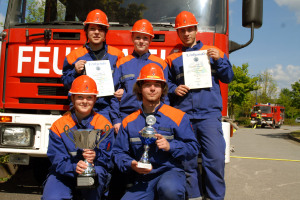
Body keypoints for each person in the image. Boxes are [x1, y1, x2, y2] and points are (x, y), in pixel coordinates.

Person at [165, 11, 234, 200]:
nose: (186, 34)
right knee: (187, 162)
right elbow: (165, 84)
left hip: (208, 116)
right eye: (182, 31)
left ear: (196, 30)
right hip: (184, 116)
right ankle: (194, 197)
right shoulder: (172, 57)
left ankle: (215, 198)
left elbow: (228, 77)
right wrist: (173, 89)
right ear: (178, 33)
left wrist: (220, 60)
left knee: (215, 160)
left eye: (189, 30)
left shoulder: (212, 52)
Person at [112, 63, 200, 200]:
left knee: (169, 190)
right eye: (147, 84)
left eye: (157, 85)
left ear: (163, 88)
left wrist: (171, 146)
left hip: (171, 172)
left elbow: (193, 148)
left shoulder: (178, 116)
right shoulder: (129, 121)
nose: (152, 89)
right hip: (143, 178)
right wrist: (131, 164)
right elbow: (118, 152)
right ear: (140, 88)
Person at [42, 75, 114, 200]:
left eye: (89, 97)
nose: (85, 101)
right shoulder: (59, 126)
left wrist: (96, 156)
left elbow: (108, 158)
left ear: (95, 99)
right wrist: (73, 167)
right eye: (80, 97)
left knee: (98, 172)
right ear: (73, 98)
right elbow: (56, 158)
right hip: (64, 173)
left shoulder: (104, 125)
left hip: (93, 170)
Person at [61, 9, 124, 122]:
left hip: (108, 111)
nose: (96, 32)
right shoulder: (74, 56)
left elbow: (124, 82)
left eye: (100, 29)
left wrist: (123, 91)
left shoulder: (117, 55)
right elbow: (66, 84)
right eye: (92, 29)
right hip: (81, 112)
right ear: (86, 31)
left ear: (105, 32)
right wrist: (75, 72)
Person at [110, 19, 169, 134]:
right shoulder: (121, 63)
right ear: (132, 38)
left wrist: (164, 120)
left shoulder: (160, 64)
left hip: (153, 118)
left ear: (151, 39)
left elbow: (165, 95)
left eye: (145, 38)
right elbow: (112, 94)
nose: (141, 41)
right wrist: (116, 120)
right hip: (127, 117)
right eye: (138, 37)